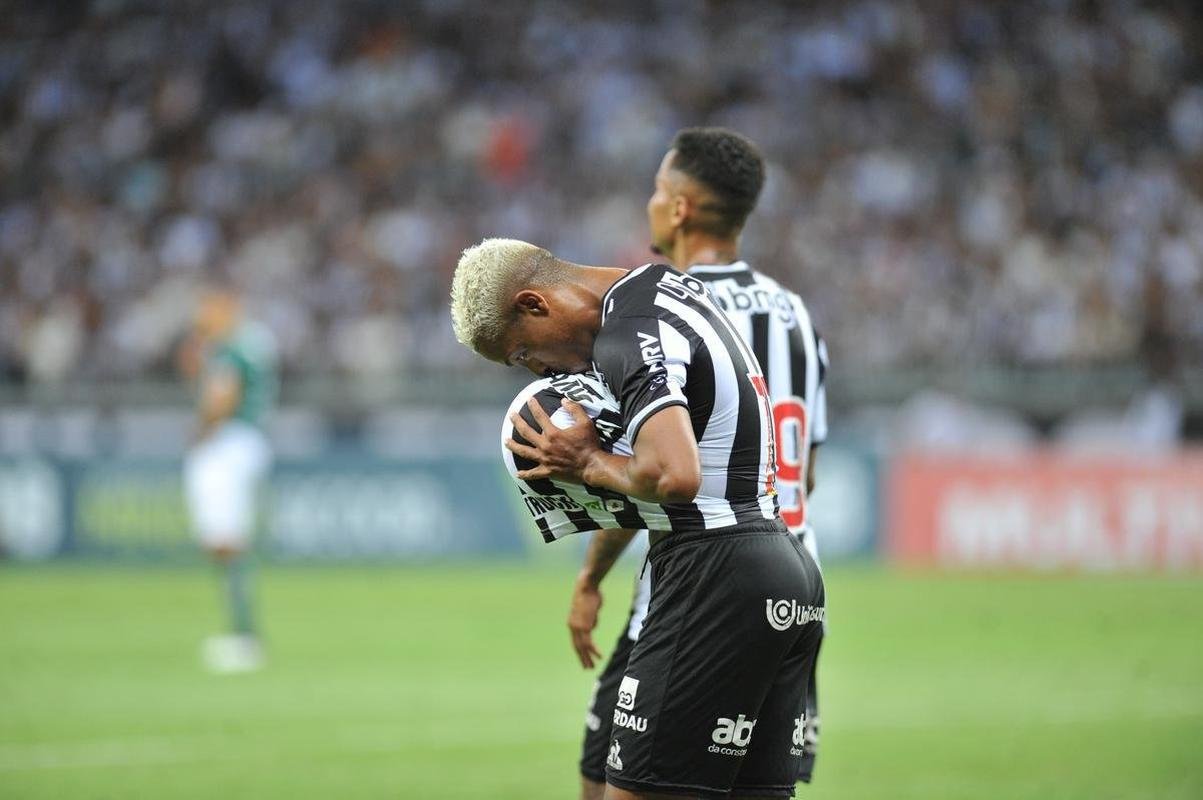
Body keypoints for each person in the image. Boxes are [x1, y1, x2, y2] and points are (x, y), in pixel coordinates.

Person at [450, 238, 825, 799]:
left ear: (534, 305)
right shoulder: (661, 289)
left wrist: (587, 461)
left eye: (523, 355)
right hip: (781, 562)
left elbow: (673, 476)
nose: (539, 372)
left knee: (625, 791)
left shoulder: (628, 332)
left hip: (711, 571)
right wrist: (592, 571)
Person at [571, 128, 831, 799]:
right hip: (794, 584)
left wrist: (592, 574)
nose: (650, 203)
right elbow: (806, 467)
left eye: (658, 189)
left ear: (680, 208)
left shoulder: (660, 311)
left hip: (695, 586)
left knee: (608, 784)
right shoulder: (795, 313)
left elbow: (655, 477)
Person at [181, 287, 277, 673]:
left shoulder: (231, 348)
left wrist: (200, 431)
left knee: (224, 541)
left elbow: (221, 396)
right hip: (250, 440)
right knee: (227, 542)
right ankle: (243, 633)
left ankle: (244, 637)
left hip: (228, 443)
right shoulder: (256, 342)